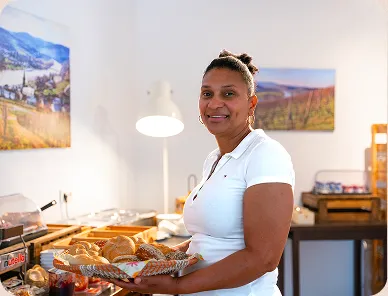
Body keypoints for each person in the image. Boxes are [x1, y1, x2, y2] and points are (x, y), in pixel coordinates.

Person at [109, 50, 295, 296]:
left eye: (228, 94)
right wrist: (156, 262)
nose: (215, 103)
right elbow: (206, 241)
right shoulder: (214, 160)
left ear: (251, 104)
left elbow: (263, 258)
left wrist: (178, 286)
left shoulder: (266, 154)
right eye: (207, 94)